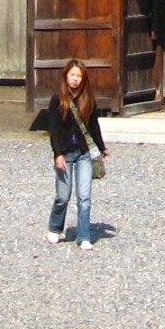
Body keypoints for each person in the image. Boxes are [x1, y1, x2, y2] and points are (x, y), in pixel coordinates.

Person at [41, 58, 107, 249]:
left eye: (79, 76)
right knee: (63, 196)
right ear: (66, 76)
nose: (75, 79)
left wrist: (102, 147)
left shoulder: (88, 100)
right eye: (72, 75)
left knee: (84, 197)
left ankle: (84, 236)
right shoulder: (57, 99)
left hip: (83, 153)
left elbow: (93, 125)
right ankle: (55, 227)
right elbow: (53, 129)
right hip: (65, 153)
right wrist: (57, 154)